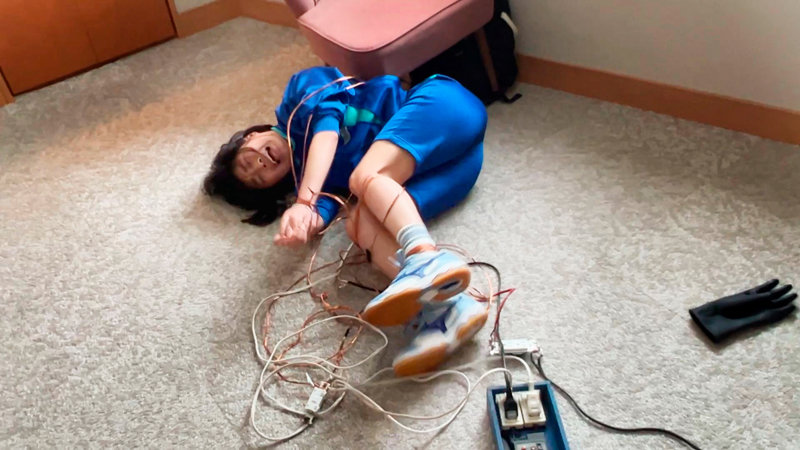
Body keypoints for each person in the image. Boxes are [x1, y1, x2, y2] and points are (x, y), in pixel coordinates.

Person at [205, 66, 488, 376]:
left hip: (444, 106)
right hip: (456, 167)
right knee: (358, 222)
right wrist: (305, 223)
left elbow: (327, 128)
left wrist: (304, 202)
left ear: (251, 136)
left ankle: (423, 256)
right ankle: (447, 308)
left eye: (249, 159)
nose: (260, 165)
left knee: (363, 177)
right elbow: (325, 207)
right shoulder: (306, 180)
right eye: (259, 179)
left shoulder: (298, 98)